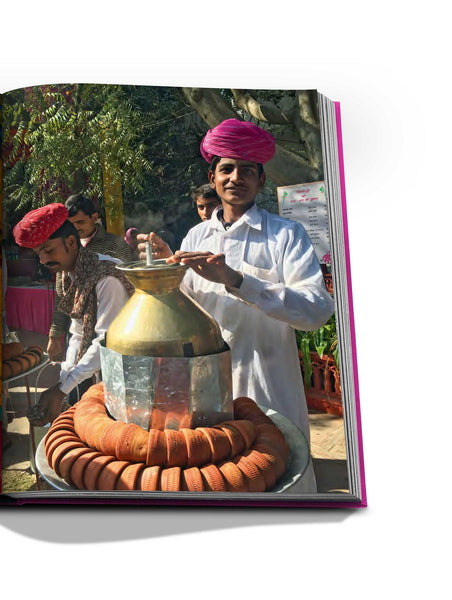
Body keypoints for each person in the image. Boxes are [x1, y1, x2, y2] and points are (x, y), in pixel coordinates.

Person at [139, 118, 334, 492]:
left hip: (268, 381)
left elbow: (315, 310)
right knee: (220, 477)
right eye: (226, 168)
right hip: (210, 387)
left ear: (261, 181)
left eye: (247, 170)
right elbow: (189, 310)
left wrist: (238, 280)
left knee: (282, 475)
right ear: (212, 178)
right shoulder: (197, 235)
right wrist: (169, 273)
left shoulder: (285, 236)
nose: (235, 177)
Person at [13, 203, 133, 426]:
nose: (43, 261)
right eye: (39, 253)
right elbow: (77, 333)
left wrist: (62, 389)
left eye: (48, 250)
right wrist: (65, 381)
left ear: (71, 242)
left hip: (130, 370)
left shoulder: (107, 277)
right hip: (103, 366)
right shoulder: (69, 273)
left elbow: (108, 341)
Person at [46, 194, 135, 362]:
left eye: (80, 222)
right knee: (75, 376)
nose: (75, 228)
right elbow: (62, 296)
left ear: (94, 218)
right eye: (70, 224)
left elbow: (129, 286)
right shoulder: (65, 249)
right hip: (77, 331)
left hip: (112, 329)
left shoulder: (115, 245)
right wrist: (55, 335)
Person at [140, 183, 221, 261]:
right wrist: (168, 258)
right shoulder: (194, 234)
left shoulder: (232, 229)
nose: (205, 212)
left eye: (211, 205)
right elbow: (184, 270)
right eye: (201, 207)